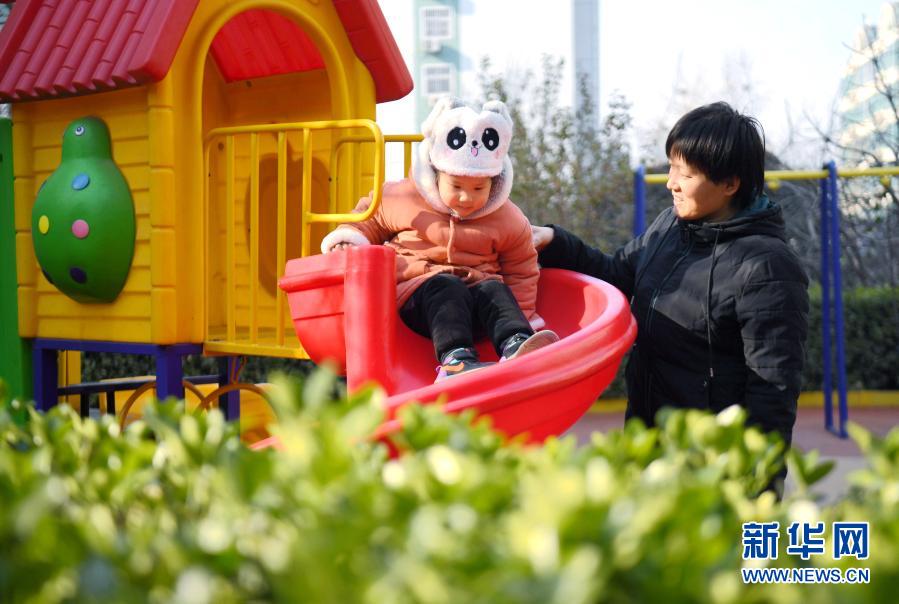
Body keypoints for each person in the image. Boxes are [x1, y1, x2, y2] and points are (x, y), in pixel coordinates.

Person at [533, 102, 809, 488]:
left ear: (730, 184)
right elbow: (617, 275)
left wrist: (757, 488)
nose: (671, 183)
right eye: (671, 167)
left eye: (686, 173)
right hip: (649, 441)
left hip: (711, 464)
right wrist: (552, 241)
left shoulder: (767, 266)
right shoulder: (670, 227)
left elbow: (773, 390)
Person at [322, 97, 559, 381]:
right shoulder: (404, 198)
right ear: (436, 175)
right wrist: (349, 238)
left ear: (494, 183)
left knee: (494, 289)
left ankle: (516, 343)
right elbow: (369, 219)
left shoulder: (507, 218)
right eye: (456, 186)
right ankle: (455, 361)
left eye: (478, 188)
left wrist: (525, 316)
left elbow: (521, 269)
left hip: (476, 307)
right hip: (419, 300)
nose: (466, 197)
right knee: (446, 286)